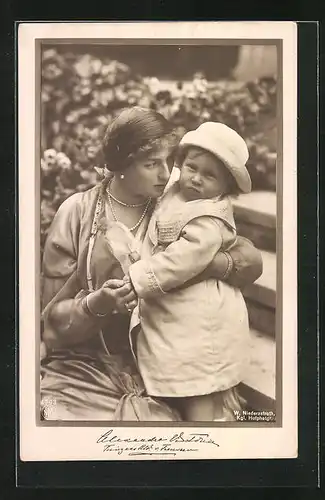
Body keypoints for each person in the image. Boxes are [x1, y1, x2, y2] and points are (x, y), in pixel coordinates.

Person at [40, 107, 263, 421]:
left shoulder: (176, 202)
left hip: (168, 359)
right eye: (151, 164)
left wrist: (209, 264)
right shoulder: (78, 213)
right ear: (121, 165)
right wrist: (96, 304)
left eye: (169, 161)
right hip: (88, 365)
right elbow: (50, 325)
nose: (165, 173)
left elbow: (251, 261)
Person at [126, 122, 252, 422]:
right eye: (192, 167)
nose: (196, 179)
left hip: (200, 313)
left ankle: (207, 435)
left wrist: (138, 277)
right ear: (180, 164)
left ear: (226, 186)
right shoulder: (176, 189)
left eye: (210, 176)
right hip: (172, 307)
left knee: (198, 382)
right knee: (173, 373)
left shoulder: (209, 219)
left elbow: (182, 260)